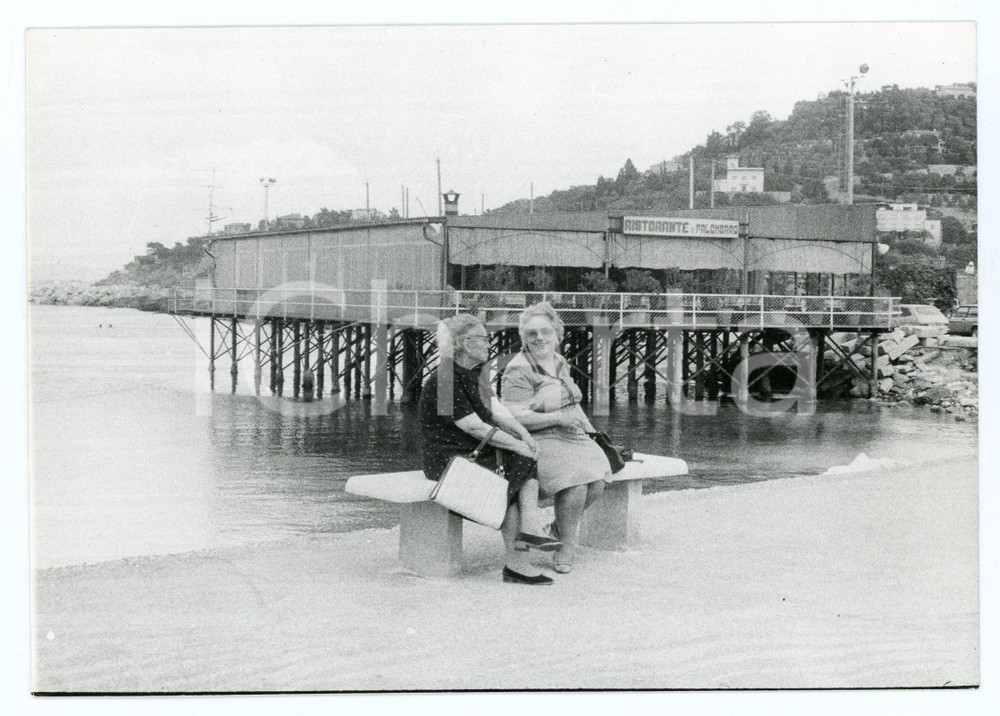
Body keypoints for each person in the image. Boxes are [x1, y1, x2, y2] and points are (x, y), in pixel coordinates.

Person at [418, 313, 561, 585]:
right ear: (464, 343)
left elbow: (496, 412)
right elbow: (473, 427)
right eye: (483, 339)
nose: (488, 344)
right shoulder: (445, 378)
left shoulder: (472, 375)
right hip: (448, 459)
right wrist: (517, 444)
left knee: (522, 461)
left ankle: (528, 531)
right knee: (514, 472)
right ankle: (520, 556)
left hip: (471, 451)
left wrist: (523, 434)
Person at [500, 302, 611, 574]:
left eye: (545, 332)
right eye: (532, 333)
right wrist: (556, 418)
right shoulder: (517, 369)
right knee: (576, 482)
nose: (539, 338)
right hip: (537, 438)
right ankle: (567, 545)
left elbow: (572, 402)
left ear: (557, 334)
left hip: (572, 435)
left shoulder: (559, 362)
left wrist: (591, 432)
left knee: (598, 481)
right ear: (524, 337)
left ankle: (557, 530)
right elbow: (514, 418)